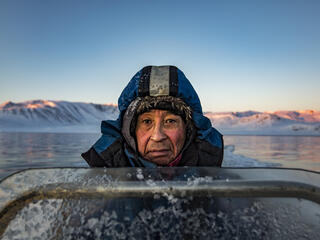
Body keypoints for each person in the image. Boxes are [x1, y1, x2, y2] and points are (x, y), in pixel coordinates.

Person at [82, 66, 223, 167]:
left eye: (170, 121)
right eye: (147, 121)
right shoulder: (103, 177)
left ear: (188, 129)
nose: (157, 136)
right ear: (130, 130)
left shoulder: (218, 179)